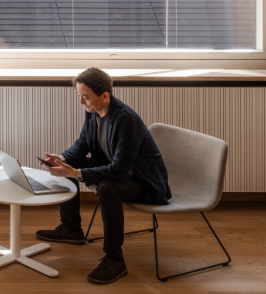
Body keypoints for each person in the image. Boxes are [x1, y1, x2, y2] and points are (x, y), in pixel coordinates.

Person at [38, 67, 170, 285]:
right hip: (117, 169)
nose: (81, 102)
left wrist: (78, 173)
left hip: (144, 181)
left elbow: (121, 170)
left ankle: (115, 259)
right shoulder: (93, 110)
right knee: (68, 164)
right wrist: (62, 158)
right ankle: (71, 229)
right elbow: (83, 143)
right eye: (80, 96)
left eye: (85, 97)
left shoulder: (126, 120)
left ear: (105, 95)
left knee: (108, 188)